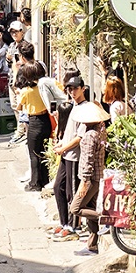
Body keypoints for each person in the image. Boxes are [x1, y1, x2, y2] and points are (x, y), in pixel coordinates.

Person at [69, 101, 110, 256]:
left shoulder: (88, 136)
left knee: (76, 208)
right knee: (90, 208)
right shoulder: (100, 131)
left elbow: (87, 161)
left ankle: (106, 218)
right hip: (98, 176)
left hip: (90, 178)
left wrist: (84, 183)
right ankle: (92, 245)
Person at [51, 75, 87, 242]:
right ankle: (64, 222)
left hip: (74, 156)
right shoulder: (74, 106)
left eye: (75, 88)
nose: (72, 92)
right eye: (69, 89)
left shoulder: (85, 109)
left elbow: (79, 137)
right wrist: (61, 146)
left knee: (72, 192)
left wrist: (64, 148)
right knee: (58, 187)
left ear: (83, 89)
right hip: (66, 154)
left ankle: (73, 226)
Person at [13, 62, 52, 192]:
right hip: (46, 120)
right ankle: (45, 179)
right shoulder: (45, 88)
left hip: (34, 121)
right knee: (43, 151)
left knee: (33, 153)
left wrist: (19, 94)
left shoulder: (26, 91)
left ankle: (35, 183)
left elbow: (19, 107)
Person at [5, 22, 27, 145]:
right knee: (14, 105)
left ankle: (21, 131)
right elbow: (9, 63)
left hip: (20, 81)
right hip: (11, 78)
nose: (14, 34)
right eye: (12, 32)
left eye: (16, 32)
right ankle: (20, 129)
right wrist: (8, 59)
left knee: (21, 106)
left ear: (21, 32)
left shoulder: (24, 46)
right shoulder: (12, 45)